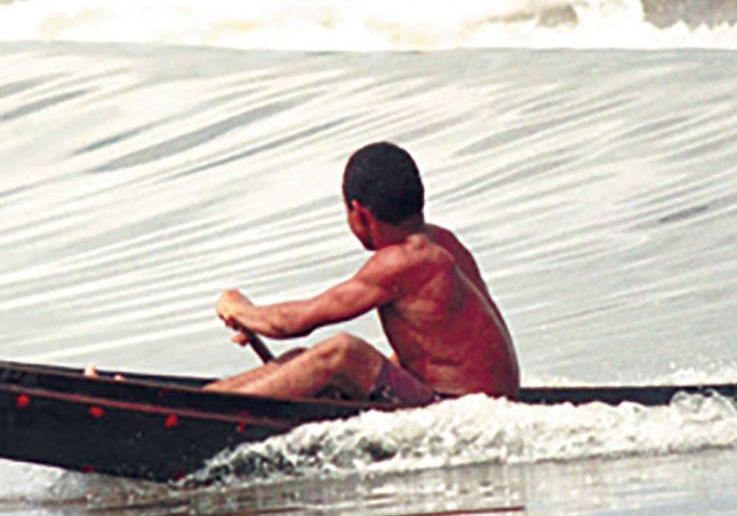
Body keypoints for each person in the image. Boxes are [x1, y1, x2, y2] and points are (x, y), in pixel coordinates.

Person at [208, 142, 520, 403]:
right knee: (302, 359)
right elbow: (440, 348)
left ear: (361, 213)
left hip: (460, 409)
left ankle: (209, 411)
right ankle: (213, 398)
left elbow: (296, 322)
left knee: (342, 353)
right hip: (486, 400)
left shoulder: (404, 261)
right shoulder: (444, 243)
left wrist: (239, 309)